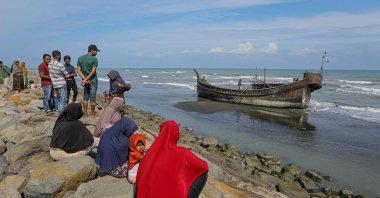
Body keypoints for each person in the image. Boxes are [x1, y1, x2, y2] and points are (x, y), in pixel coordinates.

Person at [136, 120, 209, 198]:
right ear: (176, 134)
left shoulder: (150, 153)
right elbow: (204, 167)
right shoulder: (182, 153)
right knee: (204, 173)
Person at [77, 44, 100, 117]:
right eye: (96, 51)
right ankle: (93, 113)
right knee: (92, 96)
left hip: (85, 79)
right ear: (92, 50)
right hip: (93, 79)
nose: (96, 53)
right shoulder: (94, 59)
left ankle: (85, 113)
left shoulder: (80, 58)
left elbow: (78, 70)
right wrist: (86, 79)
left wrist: (84, 79)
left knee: (85, 96)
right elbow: (93, 71)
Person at [49, 50, 69, 115]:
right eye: (60, 56)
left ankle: (59, 112)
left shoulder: (50, 64)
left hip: (55, 84)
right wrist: (64, 76)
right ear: (58, 56)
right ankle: (61, 115)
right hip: (61, 84)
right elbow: (67, 75)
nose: (61, 57)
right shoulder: (60, 65)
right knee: (62, 100)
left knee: (57, 99)